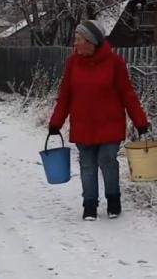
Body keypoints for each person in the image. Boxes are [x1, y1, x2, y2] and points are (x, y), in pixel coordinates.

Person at [48, 19, 148, 220]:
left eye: (78, 39)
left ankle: (113, 200)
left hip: (109, 124)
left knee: (106, 160)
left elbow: (127, 94)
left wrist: (140, 121)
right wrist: (56, 122)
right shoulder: (72, 63)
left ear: (90, 41)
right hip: (83, 125)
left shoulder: (115, 63)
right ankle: (90, 205)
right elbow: (65, 96)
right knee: (87, 165)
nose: (74, 44)